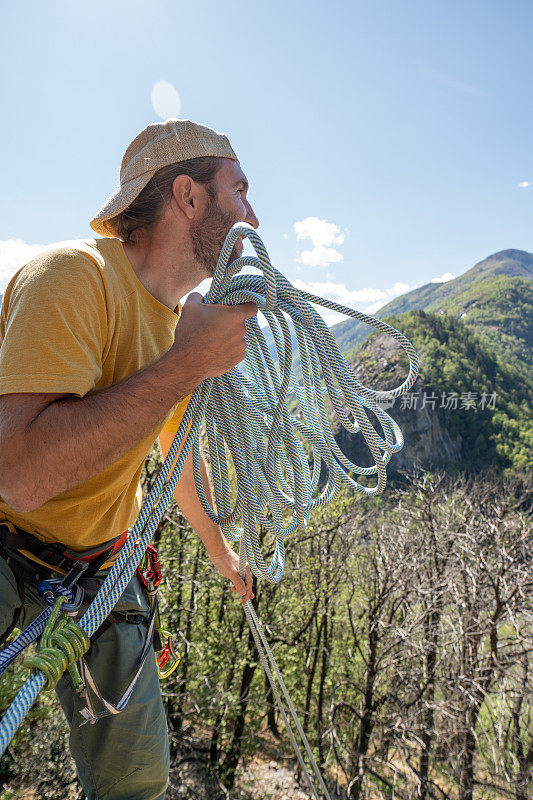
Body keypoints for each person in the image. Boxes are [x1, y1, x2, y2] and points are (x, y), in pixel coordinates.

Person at [0, 118, 258, 799]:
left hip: (102, 569)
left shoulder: (176, 324)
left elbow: (175, 449)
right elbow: (21, 476)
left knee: (136, 784)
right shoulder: (73, 278)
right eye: (240, 191)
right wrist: (187, 363)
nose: (254, 217)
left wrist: (219, 549)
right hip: (6, 545)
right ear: (189, 197)